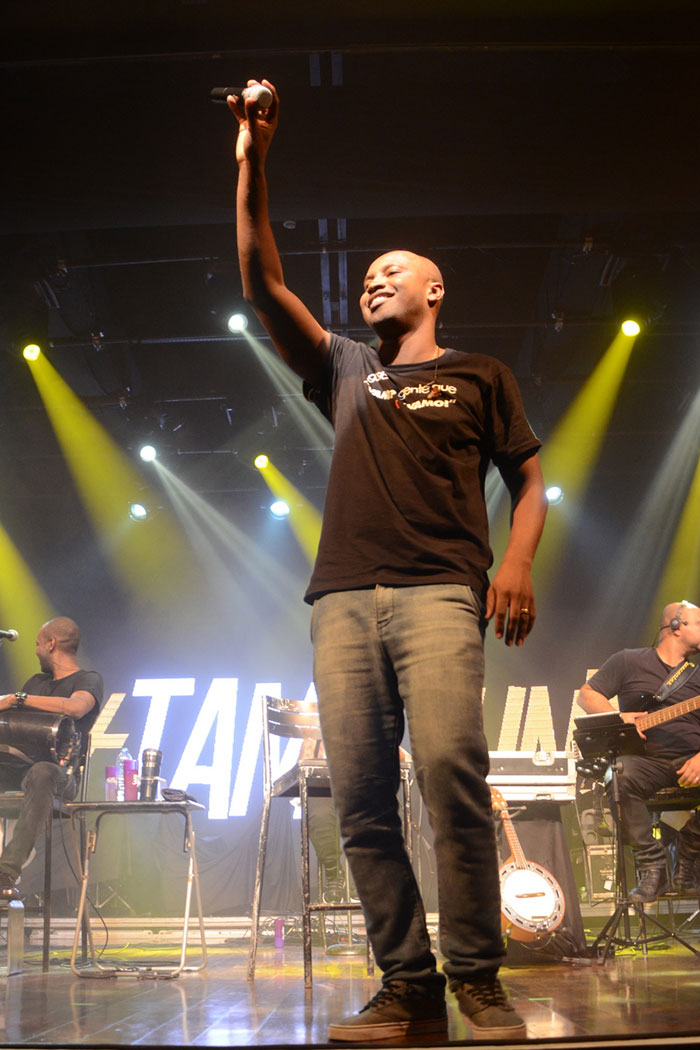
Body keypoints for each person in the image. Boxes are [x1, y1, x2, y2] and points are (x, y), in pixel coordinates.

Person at [230, 81, 547, 1043]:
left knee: (451, 771)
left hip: (440, 596)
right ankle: (407, 987)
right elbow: (259, 278)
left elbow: (530, 483)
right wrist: (252, 155)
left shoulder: (478, 374)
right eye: (366, 275)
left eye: (391, 271)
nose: (373, 282)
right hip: (340, 602)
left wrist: (517, 565)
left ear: (433, 288)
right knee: (362, 798)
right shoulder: (345, 369)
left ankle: (478, 982)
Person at [577, 600, 700, 903]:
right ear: (676, 626)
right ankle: (653, 866)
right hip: (648, 762)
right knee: (618, 774)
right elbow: (587, 695)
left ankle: (690, 849)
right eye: (699, 623)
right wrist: (619, 717)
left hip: (693, 761)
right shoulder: (628, 661)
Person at [0, 617, 103, 899]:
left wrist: (20, 698)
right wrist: (10, 700)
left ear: (51, 643)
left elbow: (76, 708)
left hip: (61, 774)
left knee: (43, 772)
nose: (34, 650)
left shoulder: (87, 679)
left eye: (37, 644)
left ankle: (7, 870)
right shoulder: (36, 682)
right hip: (22, 768)